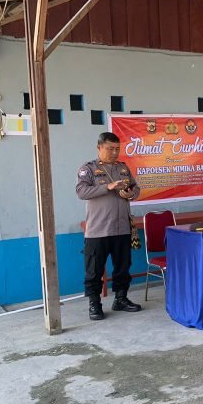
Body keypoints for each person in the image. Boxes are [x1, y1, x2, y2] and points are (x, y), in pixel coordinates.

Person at [76, 132, 142, 321]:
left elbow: (136, 189)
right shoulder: (88, 169)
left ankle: (120, 299)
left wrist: (130, 194)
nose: (114, 153)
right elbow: (81, 191)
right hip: (98, 230)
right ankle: (94, 304)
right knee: (94, 270)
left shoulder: (123, 168)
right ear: (99, 148)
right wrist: (108, 187)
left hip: (121, 228)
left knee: (123, 267)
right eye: (110, 149)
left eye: (117, 149)